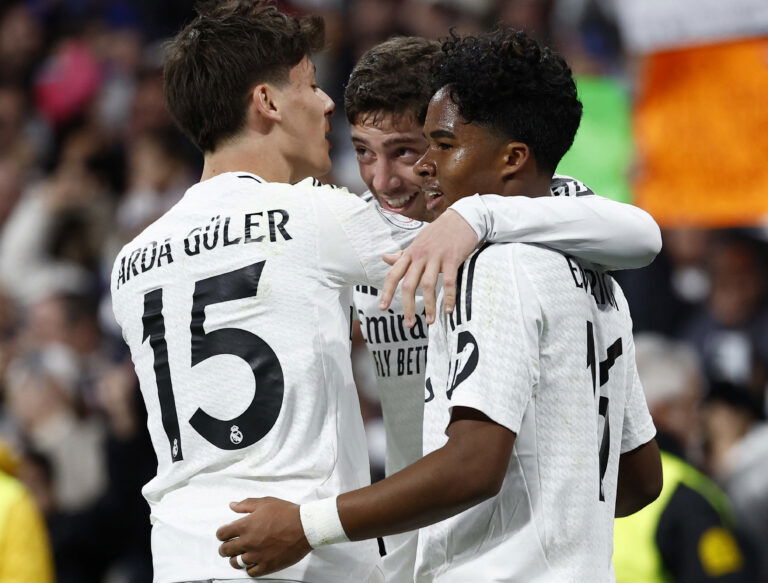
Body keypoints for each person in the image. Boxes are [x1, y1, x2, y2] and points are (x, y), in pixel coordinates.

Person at [111, 3, 607, 582]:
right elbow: (487, 232)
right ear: (267, 103)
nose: (325, 103)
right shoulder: (315, 216)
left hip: (179, 553)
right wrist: (489, 212)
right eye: (311, 85)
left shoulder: (130, 261)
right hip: (292, 548)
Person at [216, 27, 663, 581]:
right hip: (413, 541)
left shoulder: (506, 249)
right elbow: (638, 479)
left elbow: (643, 234)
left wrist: (477, 217)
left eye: (413, 150)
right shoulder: (356, 236)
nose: (387, 182)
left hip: (475, 546)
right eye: (362, 153)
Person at [614, 335, 754, 582]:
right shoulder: (684, 494)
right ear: (663, 413)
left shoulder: (589, 479)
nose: (701, 421)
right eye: (693, 406)